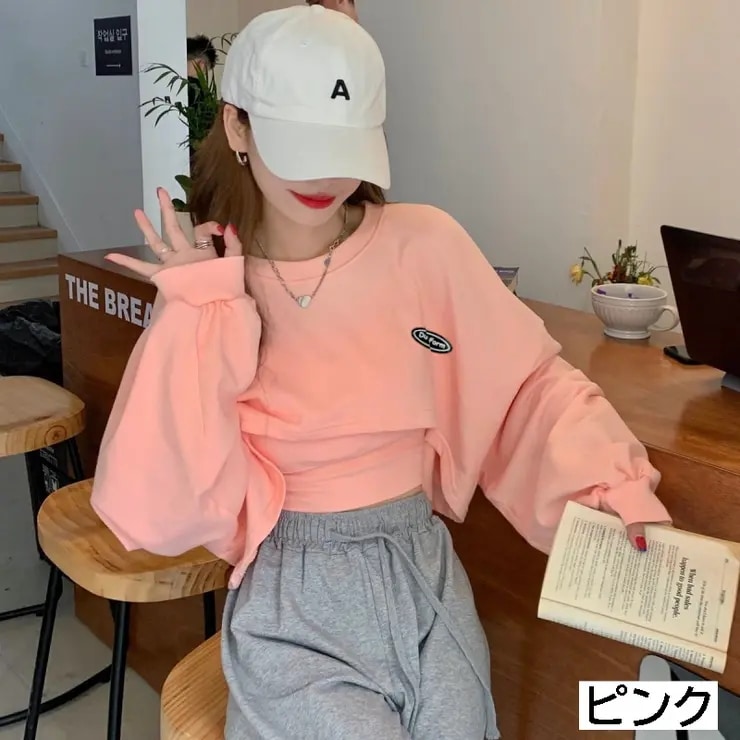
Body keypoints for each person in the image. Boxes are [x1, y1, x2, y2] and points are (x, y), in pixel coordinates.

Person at [92, 5, 672, 739]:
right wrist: (195, 313)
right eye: (300, 146)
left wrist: (608, 484)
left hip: (422, 571)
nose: (325, 176)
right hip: (292, 596)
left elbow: (524, 387)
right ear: (237, 127)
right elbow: (160, 498)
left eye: (344, 146)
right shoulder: (214, 280)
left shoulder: (425, 244)